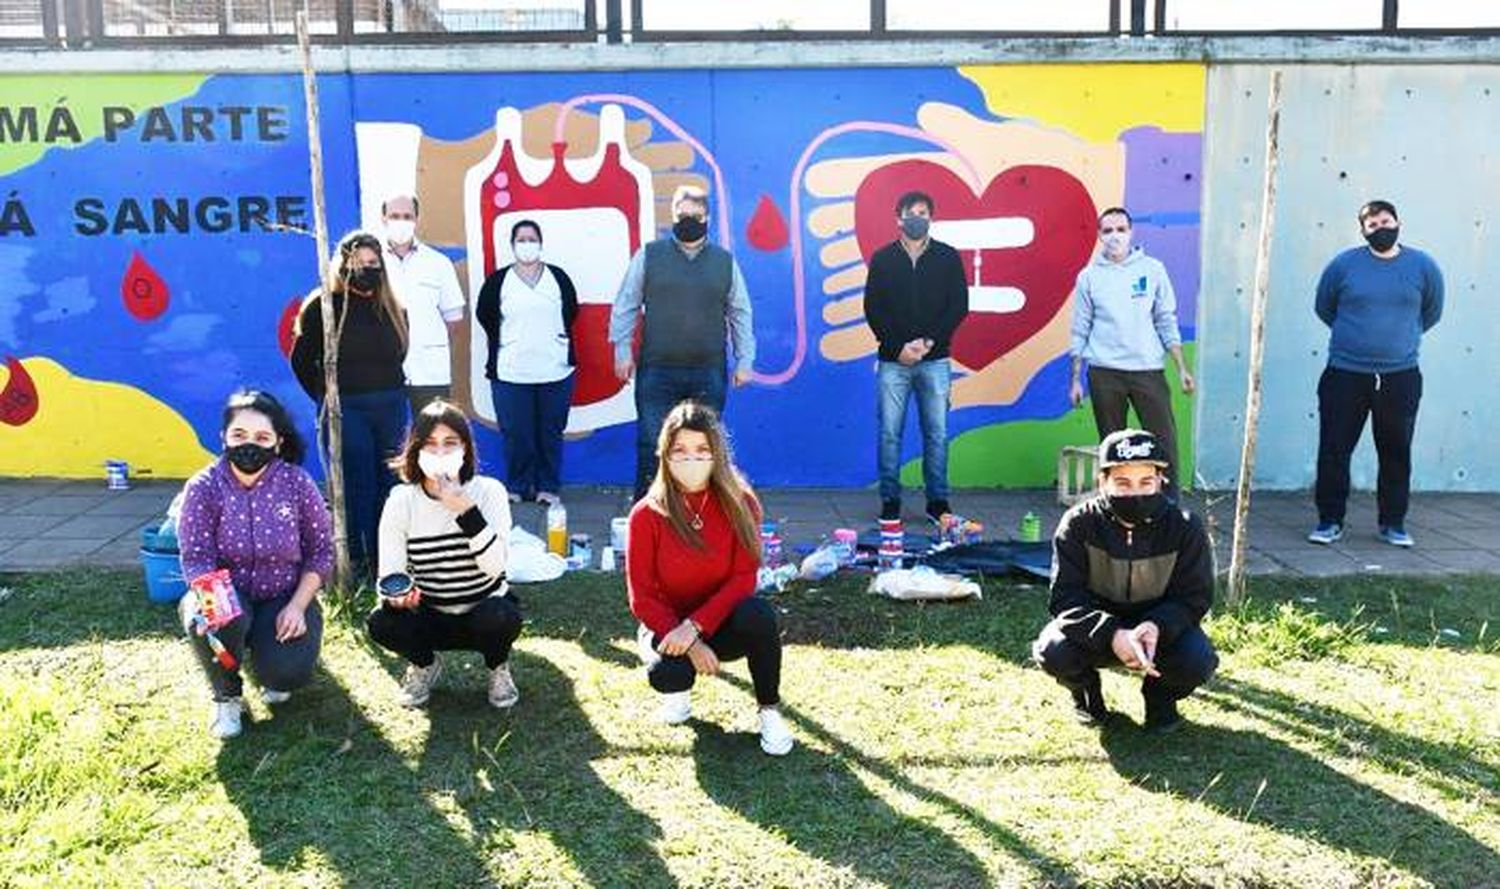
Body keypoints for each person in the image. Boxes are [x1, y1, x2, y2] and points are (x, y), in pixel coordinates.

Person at [626, 400, 793, 756]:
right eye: (680, 450)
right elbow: (642, 597)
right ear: (664, 454)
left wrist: (698, 627)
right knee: (667, 675)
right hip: (668, 629)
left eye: (702, 449)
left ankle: (769, 711)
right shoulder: (646, 514)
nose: (691, 459)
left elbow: (743, 577)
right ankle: (679, 693)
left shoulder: (740, 501)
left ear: (716, 453)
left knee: (758, 615)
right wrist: (689, 641)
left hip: (719, 622)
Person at [1031, 429, 1217, 733]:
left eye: (1146, 482)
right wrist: (1112, 634)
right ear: (1102, 482)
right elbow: (1066, 599)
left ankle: (1160, 701)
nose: (1135, 494)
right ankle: (1087, 697)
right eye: (1122, 483)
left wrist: (1157, 625)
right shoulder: (1078, 524)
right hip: (1096, 631)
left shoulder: (1185, 527)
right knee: (1053, 650)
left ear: (1160, 481)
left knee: (1197, 659)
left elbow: (1194, 598)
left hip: (1159, 632)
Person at [177, 390, 333, 739]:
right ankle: (227, 695)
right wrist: (210, 604)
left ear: (278, 443)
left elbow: (320, 552)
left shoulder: (297, 484)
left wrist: (297, 606)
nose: (250, 445)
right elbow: (197, 555)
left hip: (283, 594)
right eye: (239, 435)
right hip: (225, 590)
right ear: (224, 438)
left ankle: (268, 660)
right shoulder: (203, 487)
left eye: (262, 437)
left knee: (286, 675)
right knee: (216, 620)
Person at [368, 400, 523, 710]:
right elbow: (390, 574)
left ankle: (497, 667)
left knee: (500, 617)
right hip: (431, 612)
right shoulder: (401, 501)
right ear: (415, 450)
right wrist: (398, 595)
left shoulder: (489, 492)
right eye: (430, 444)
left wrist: (465, 510)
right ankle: (424, 664)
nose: (440, 453)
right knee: (382, 622)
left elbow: (495, 568)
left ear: (465, 449)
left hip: (483, 609)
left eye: (450, 443)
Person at [1309, 199, 1444, 548]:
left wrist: (1398, 341)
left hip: (1400, 377)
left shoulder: (1422, 266)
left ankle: (1393, 524)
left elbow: (1431, 312)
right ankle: (1329, 521)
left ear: (1399, 222)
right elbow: (1325, 307)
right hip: (1345, 374)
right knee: (1335, 449)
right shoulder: (1344, 266)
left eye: (1386, 221)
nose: (1381, 228)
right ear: (1363, 231)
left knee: (1396, 450)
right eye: (1372, 225)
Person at [609, 184, 756, 501]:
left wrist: (745, 361)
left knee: (704, 446)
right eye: (682, 214)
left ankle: (701, 510)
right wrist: (622, 351)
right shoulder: (649, 256)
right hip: (657, 370)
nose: (688, 220)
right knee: (652, 443)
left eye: (696, 215)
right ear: (672, 215)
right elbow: (626, 304)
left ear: (707, 218)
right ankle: (646, 513)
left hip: (708, 371)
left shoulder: (724, 261)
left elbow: (740, 312)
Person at [290, 229, 409, 573]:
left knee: (390, 483)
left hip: (389, 405)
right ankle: (355, 558)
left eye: (373, 263)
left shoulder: (392, 307)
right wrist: (326, 398)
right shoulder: (322, 307)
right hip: (347, 408)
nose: (366, 270)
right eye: (357, 263)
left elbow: (401, 351)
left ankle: (387, 559)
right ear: (342, 265)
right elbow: (300, 360)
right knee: (357, 484)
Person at [1069, 207, 1194, 491]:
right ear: (1100, 236)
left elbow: (1166, 319)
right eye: (1108, 231)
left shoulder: (1152, 270)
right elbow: (1080, 329)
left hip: (1147, 370)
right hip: (1104, 372)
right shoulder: (1089, 277)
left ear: (1131, 232)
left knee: (1163, 442)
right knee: (1113, 446)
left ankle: (1170, 506)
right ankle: (1117, 506)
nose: (1115, 236)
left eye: (1121, 230)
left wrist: (1182, 368)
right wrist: (1075, 378)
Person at [863, 190, 969, 523]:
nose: (917, 218)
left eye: (923, 212)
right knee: (889, 433)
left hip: (935, 360)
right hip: (894, 363)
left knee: (936, 433)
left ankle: (938, 502)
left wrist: (926, 342)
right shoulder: (882, 259)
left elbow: (958, 306)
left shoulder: (948, 257)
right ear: (899, 219)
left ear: (931, 218)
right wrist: (898, 348)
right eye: (911, 212)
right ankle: (890, 500)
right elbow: (873, 309)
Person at [474, 219, 580, 505]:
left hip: (554, 371)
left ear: (541, 243)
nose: (526, 244)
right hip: (511, 373)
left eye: (532, 238)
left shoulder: (558, 278)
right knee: (517, 434)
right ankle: (518, 485)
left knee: (550, 433)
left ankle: (548, 487)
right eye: (521, 239)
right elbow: (485, 315)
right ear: (512, 245)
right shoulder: (499, 281)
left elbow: (571, 311)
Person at [380, 193, 467, 418]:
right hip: (384, 371)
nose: (401, 222)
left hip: (430, 371)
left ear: (417, 219)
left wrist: (426, 341)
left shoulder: (438, 263)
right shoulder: (373, 262)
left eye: (407, 216)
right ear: (383, 218)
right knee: (391, 441)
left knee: (431, 434)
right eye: (395, 216)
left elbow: (454, 320)